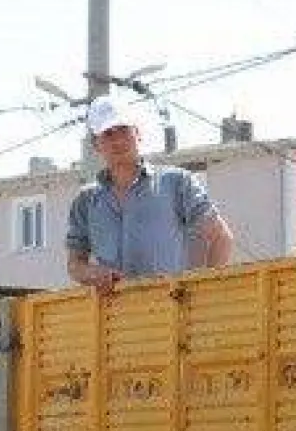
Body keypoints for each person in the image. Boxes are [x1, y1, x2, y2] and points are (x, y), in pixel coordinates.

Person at [66, 94, 235, 289]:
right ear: (96, 144)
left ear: (138, 134)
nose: (118, 140)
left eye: (123, 130)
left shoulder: (177, 183)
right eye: (108, 134)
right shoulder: (85, 202)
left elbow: (220, 238)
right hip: (113, 315)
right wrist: (92, 273)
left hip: (170, 311)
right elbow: (74, 265)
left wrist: (205, 292)